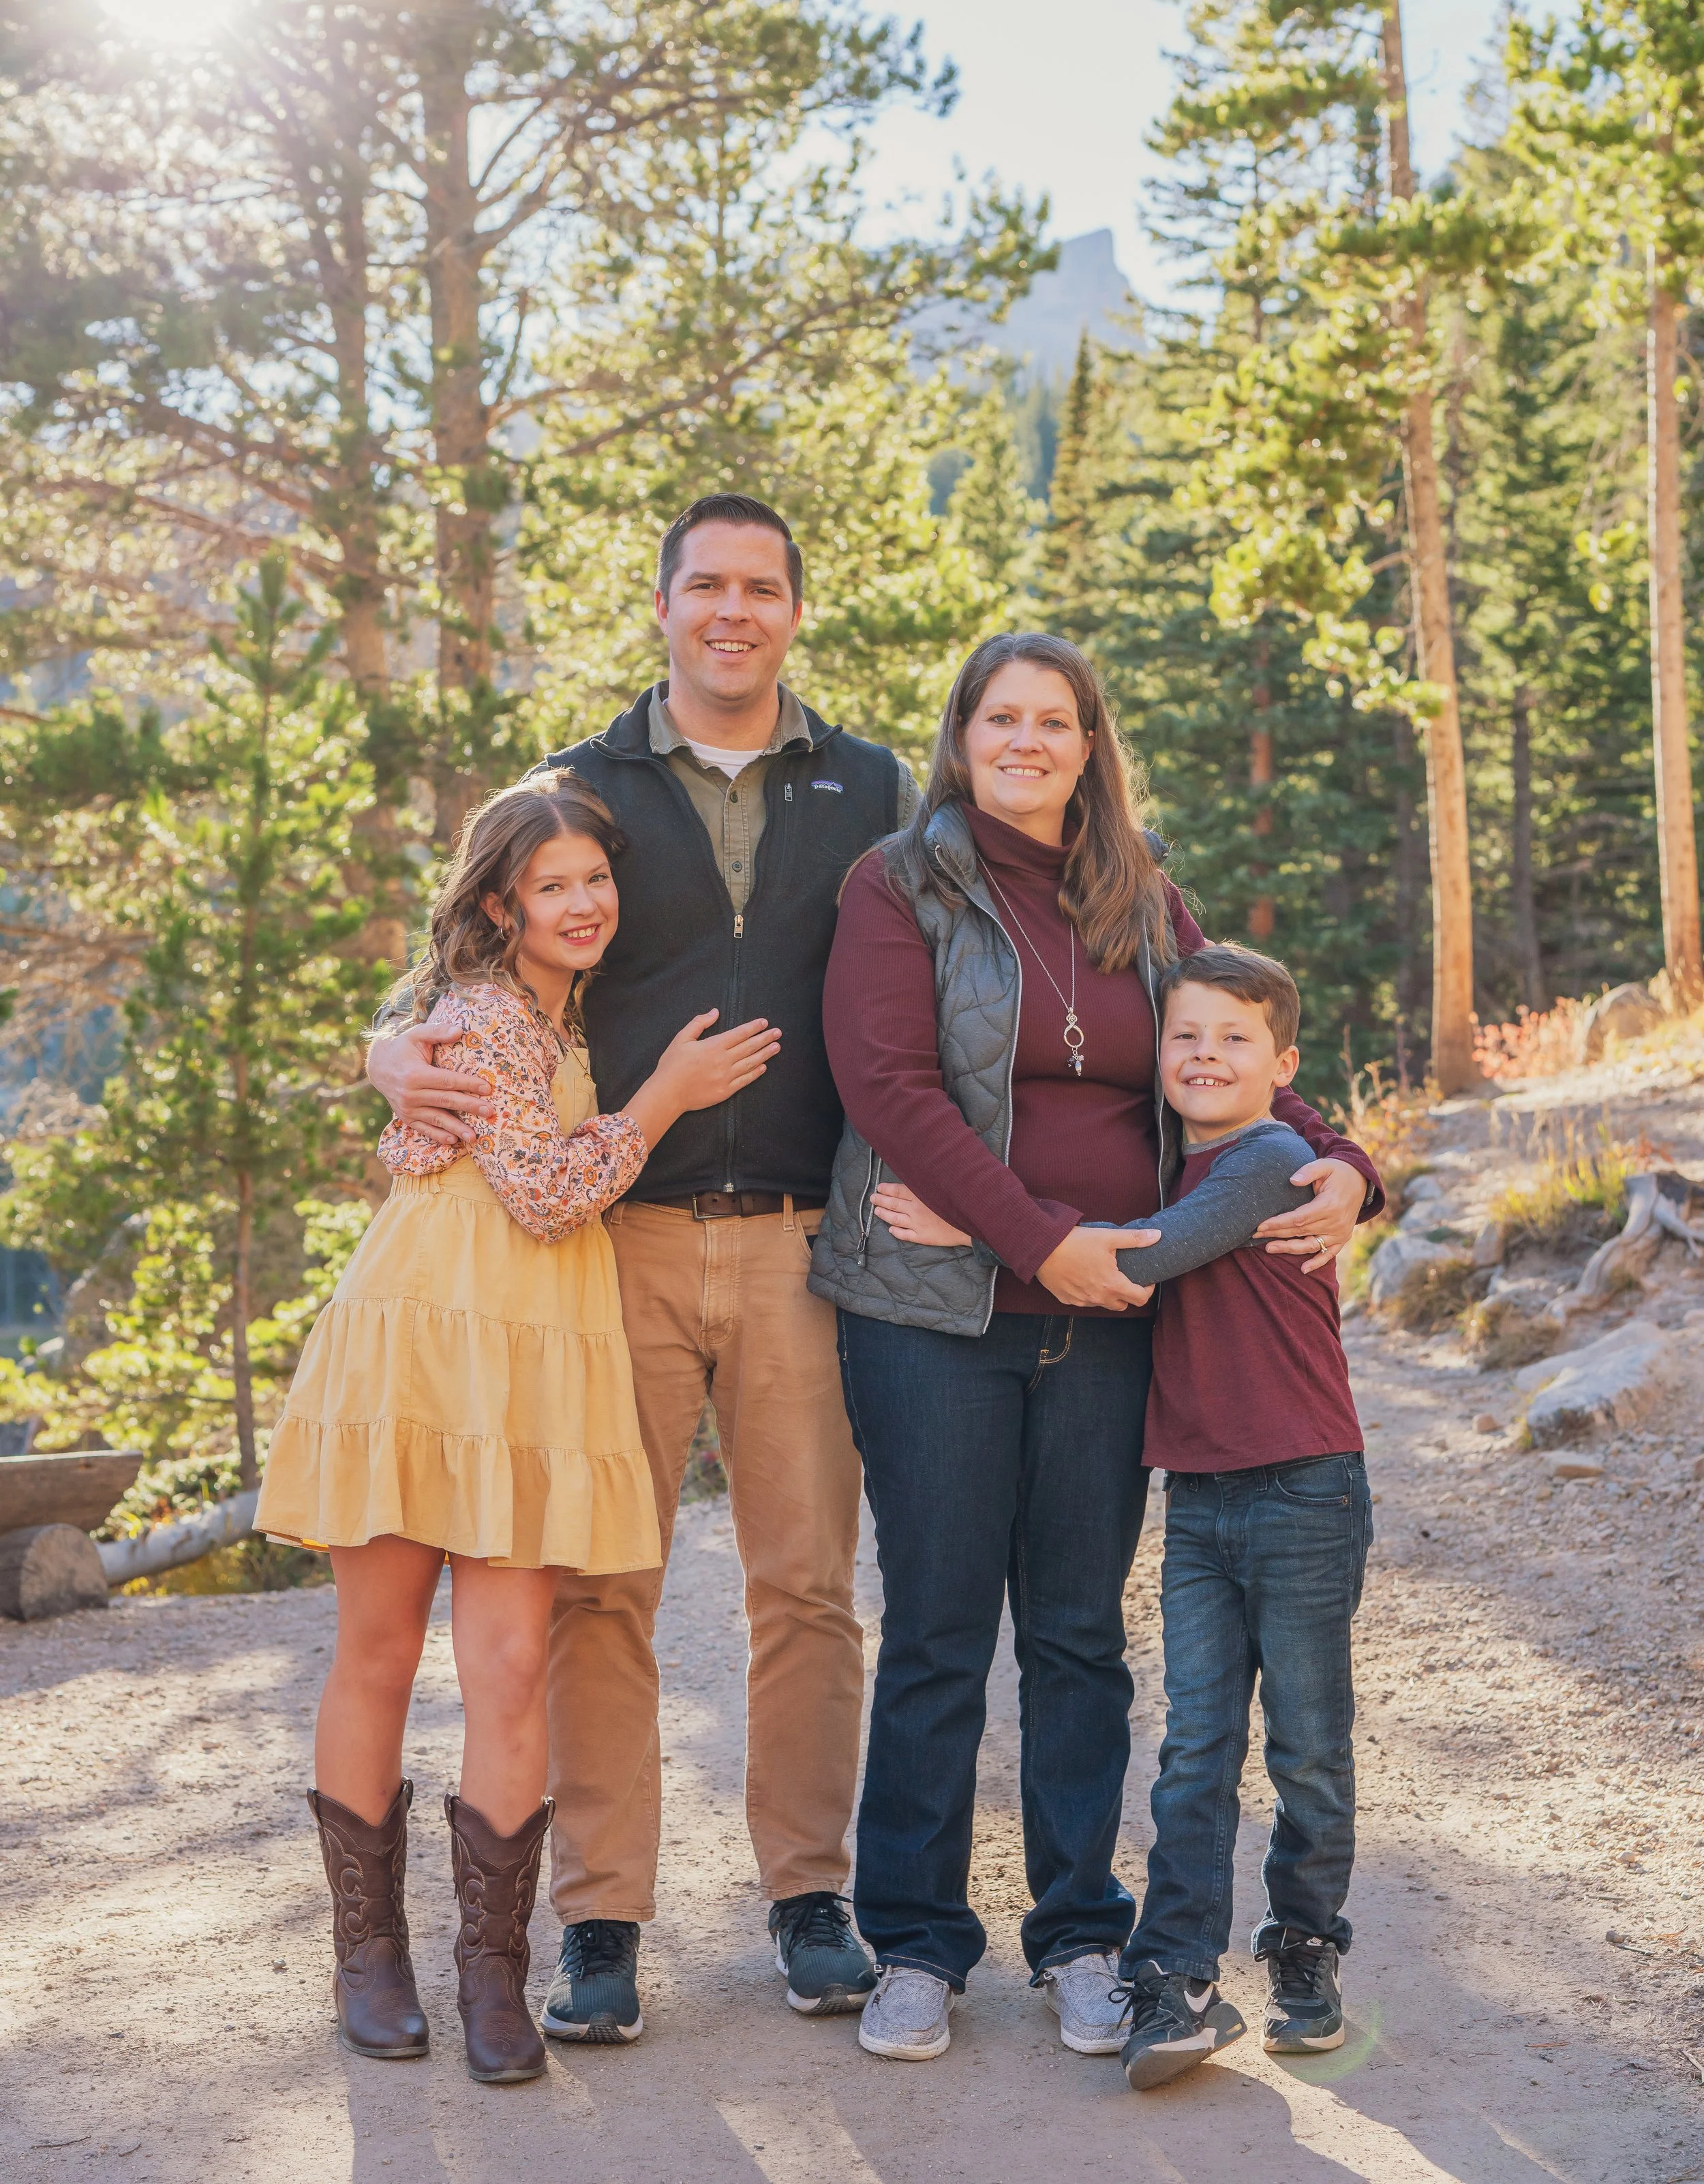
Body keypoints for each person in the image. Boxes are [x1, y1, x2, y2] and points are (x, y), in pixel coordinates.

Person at [364, 494, 919, 2042]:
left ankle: (810, 1897)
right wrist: (385, 1049)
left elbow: (957, 972)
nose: (731, 611)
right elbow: (455, 965)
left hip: (810, 1246)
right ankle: (598, 1920)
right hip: (611, 1247)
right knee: (601, 1588)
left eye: (761, 587)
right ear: (664, 605)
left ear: (794, 609)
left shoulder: (867, 785)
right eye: (705, 587)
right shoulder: (579, 787)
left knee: (805, 1587)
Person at [808, 630, 1382, 2063]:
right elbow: (884, 1084)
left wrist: (1345, 1161)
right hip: (932, 1318)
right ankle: (918, 1947)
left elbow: (1226, 1038)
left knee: (1076, 1637)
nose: (1024, 741)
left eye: (1051, 721)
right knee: (939, 1631)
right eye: (998, 717)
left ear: (1087, 744)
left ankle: (1077, 1932)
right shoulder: (899, 885)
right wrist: (1035, 1239)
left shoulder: (1139, 893)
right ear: (960, 734)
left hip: (1109, 1320)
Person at [260, 773, 779, 2082]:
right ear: (501, 904)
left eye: (596, 881)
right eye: (554, 886)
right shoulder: (489, 1014)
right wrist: (665, 1094)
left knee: (504, 1671)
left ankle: (494, 1976)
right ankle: (368, 1962)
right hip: (423, 1347)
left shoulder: (558, 1013)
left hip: (529, 1370)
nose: (586, 903)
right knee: (377, 1654)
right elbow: (548, 1196)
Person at [1110, 946, 1371, 2093]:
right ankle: (1178, 1973)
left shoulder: (1269, 1156)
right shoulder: (1179, 1152)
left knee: (1307, 1745)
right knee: (1195, 1746)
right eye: (1184, 1036)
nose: (1205, 1055)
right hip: (1201, 1493)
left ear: (1284, 1064)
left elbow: (1151, 1257)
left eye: (1234, 1038)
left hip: (1306, 1485)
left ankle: (1304, 1949)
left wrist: (968, 1227)